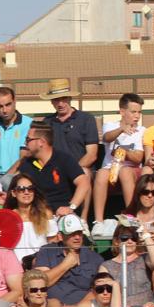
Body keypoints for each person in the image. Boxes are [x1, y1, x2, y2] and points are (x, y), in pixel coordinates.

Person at [40, 78, 100, 216]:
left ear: (69, 98)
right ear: (51, 101)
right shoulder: (47, 122)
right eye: (56, 99)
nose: (60, 103)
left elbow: (92, 155)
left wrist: (71, 171)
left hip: (79, 169)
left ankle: (83, 220)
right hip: (53, 171)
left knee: (84, 173)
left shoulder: (86, 119)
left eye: (63, 99)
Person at [17, 120, 89, 222]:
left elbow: (84, 182)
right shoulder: (26, 164)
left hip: (62, 216)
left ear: (41, 142)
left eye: (28, 139)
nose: (25, 143)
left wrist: (70, 207)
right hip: (37, 216)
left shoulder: (64, 159)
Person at [94, 93, 146, 228]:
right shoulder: (110, 125)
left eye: (139, 112)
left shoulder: (142, 130)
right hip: (110, 169)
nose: (137, 116)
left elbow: (138, 158)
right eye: (133, 112)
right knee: (100, 174)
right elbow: (106, 138)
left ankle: (131, 215)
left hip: (130, 170)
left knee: (125, 171)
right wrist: (121, 129)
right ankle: (98, 221)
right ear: (122, 112)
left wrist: (124, 153)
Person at [33, 214, 103, 306]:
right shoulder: (47, 251)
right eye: (72, 234)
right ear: (60, 236)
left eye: (79, 233)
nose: (77, 237)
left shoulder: (94, 258)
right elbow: (39, 283)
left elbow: (100, 291)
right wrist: (65, 265)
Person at [102, 221, 154, 307]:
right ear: (116, 241)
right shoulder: (106, 266)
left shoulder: (144, 259)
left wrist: (145, 234)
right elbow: (103, 293)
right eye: (125, 238)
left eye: (134, 238)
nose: (130, 241)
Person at [2, 174, 56, 265]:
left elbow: (53, 244)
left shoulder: (46, 214)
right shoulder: (8, 216)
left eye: (30, 188)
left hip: (41, 264)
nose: (26, 192)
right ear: (14, 193)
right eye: (21, 189)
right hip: (15, 265)